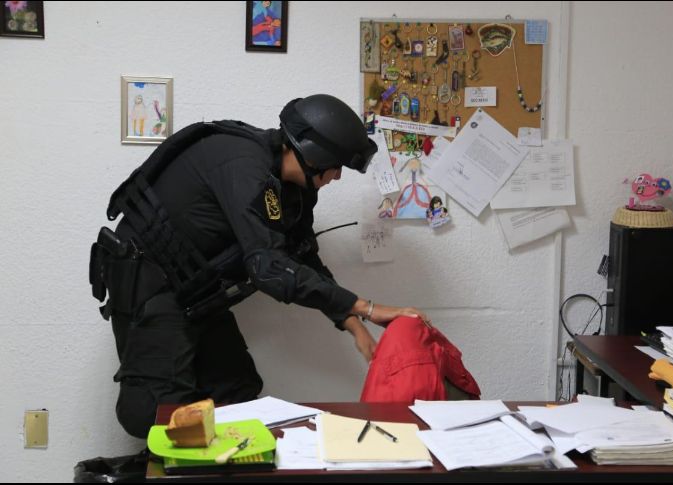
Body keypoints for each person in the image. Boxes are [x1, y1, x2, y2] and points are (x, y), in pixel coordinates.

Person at [90, 94, 430, 439]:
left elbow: (302, 256)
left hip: (196, 290)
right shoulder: (244, 166)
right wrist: (367, 307)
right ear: (315, 155)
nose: (338, 176)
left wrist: (352, 321)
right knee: (156, 411)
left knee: (236, 390)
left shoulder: (292, 189)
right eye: (337, 166)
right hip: (148, 282)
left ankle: (227, 459)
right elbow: (268, 268)